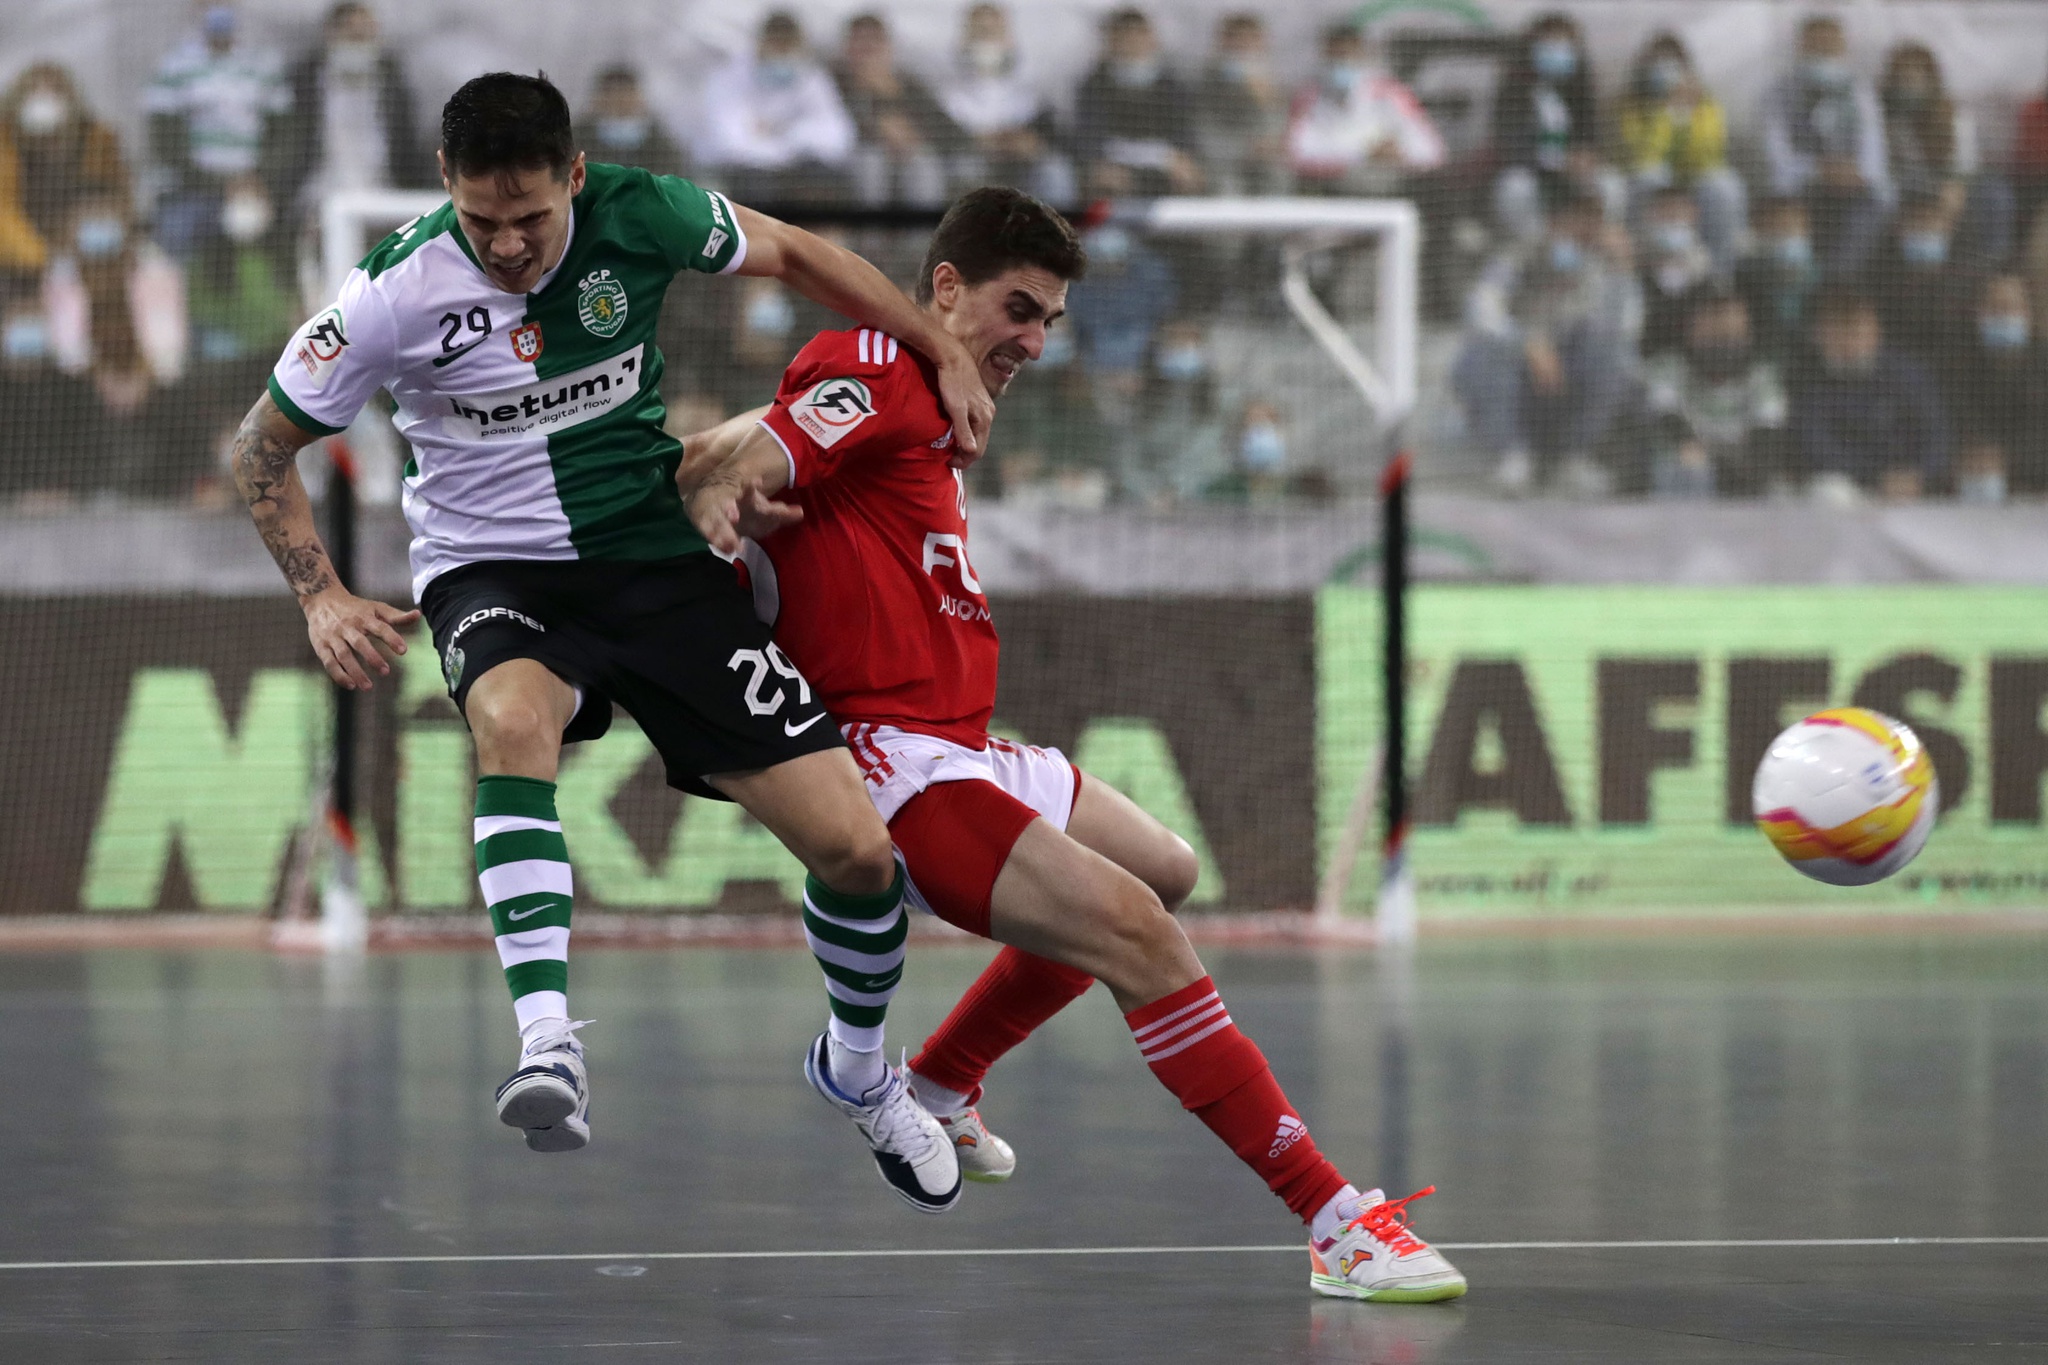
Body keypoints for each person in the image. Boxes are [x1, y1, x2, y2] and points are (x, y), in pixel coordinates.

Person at [677, 186, 1467, 1303]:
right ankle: (1335, 1221)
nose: (1034, 343)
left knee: (1166, 870)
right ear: (942, 290)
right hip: (891, 763)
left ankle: (942, 1084)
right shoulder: (882, 364)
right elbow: (738, 457)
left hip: (961, 741)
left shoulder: (927, 403)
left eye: (1048, 320)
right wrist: (720, 502)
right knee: (1138, 937)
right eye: (1017, 309)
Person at [232, 75, 995, 1208]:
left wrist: (941, 344)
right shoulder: (392, 291)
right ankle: (549, 1044)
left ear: (574, 178)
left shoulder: (643, 212)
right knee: (510, 721)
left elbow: (794, 253)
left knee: (857, 855)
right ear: (447, 187)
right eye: (482, 219)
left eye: (531, 217)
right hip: (494, 573)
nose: (507, 244)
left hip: (651, 560)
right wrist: (321, 596)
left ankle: (859, 1072)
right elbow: (257, 448)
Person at [1454, 191, 1640, 494]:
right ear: (1554, 220)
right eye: (1576, 219)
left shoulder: (1602, 264)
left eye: (1593, 221)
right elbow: (1480, 309)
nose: (1584, 229)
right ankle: (1511, 456)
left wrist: (1622, 271)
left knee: (1616, 356)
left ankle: (1573, 456)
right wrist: (1526, 343)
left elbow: (1627, 327)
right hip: (1517, 373)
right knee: (1478, 355)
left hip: (1568, 376)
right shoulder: (1518, 254)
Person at [145, 1, 290, 260]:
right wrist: (218, 182)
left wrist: (258, 178)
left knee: (269, 227)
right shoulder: (175, 64)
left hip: (253, 187)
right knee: (173, 233)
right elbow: (164, 140)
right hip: (193, 188)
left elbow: (285, 133)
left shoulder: (263, 63)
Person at [274, 1, 432, 216]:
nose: (360, 41)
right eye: (353, 34)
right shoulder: (305, 80)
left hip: (382, 191)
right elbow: (287, 141)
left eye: (366, 34)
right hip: (321, 190)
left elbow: (408, 144)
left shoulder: (392, 82)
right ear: (331, 33)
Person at [1760, 15, 1888, 280]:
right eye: (1816, 46)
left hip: (1852, 188)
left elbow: (1875, 153)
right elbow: (1775, 156)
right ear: (1802, 48)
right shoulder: (1779, 93)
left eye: (1829, 47)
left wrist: (1855, 173)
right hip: (1800, 188)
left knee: (1876, 206)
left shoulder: (1860, 94)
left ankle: (1839, 281)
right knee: (1788, 217)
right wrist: (1817, 169)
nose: (1823, 53)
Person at [1792, 287, 1946, 499]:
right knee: (1828, 492)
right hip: (1855, 485)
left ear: (1875, 332)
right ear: (1819, 336)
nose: (1847, 344)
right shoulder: (1809, 381)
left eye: (1855, 333)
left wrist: (1919, 474)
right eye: (1837, 334)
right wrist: (1876, 476)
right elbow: (1816, 446)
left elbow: (1936, 434)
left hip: (1914, 484)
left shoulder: (1907, 375)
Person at [1612, 32, 1746, 274]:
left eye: (1672, 63)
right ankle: (1643, 267)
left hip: (1693, 177)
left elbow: (1711, 154)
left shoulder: (1706, 103)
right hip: (1656, 178)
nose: (1666, 71)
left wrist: (1687, 110)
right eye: (1658, 63)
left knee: (1725, 186)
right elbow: (1644, 155)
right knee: (1650, 177)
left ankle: (1719, 272)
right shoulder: (1631, 104)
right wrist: (1667, 111)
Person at [695, 12, 856, 206]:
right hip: (737, 174)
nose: (781, 54)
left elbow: (838, 137)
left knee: (822, 178)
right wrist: (788, 145)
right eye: (776, 47)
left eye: (787, 49)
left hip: (796, 171)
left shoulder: (811, 79)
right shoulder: (728, 79)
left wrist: (779, 133)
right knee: (756, 182)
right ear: (760, 44)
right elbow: (730, 144)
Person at [1640, 289, 1789, 497]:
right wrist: (1689, 446)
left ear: (1748, 333)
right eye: (1712, 330)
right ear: (1690, 329)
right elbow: (1665, 414)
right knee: (1692, 469)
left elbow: (1768, 431)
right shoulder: (1668, 368)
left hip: (1741, 475)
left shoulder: (1762, 377)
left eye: (1730, 333)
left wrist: (1733, 467)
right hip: (1681, 479)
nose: (1721, 340)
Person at [1488, 12, 1622, 243]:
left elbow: (1592, 134)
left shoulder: (1581, 88)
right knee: (1515, 188)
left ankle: (1594, 242)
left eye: (1563, 43)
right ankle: (1534, 247)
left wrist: (1585, 155)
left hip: (1574, 172)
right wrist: (1547, 162)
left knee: (1611, 185)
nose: (1556, 50)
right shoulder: (1515, 88)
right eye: (1549, 43)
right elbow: (1507, 139)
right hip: (1532, 170)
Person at [1878, 40, 2012, 268]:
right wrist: (1933, 190)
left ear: (1930, 79)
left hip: (1948, 183)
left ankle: (1994, 265)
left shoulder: (1952, 114)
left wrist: (1955, 187)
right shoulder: (1881, 114)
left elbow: (1965, 164)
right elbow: (1890, 168)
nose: (1909, 82)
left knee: (1994, 192)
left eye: (1915, 76)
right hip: (1905, 185)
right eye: (1903, 76)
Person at [0, 65, 131, 296]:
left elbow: (117, 199)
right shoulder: (7, 145)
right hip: (26, 264)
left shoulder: (95, 138)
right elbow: (5, 214)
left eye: (52, 92)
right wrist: (43, 258)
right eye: (34, 92)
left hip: (87, 258)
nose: (43, 102)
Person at [935, 4, 1073, 206]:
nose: (987, 40)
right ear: (964, 38)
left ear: (1008, 38)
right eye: (980, 32)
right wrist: (978, 143)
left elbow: (1049, 135)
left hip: (1022, 166)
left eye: (993, 32)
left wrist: (1030, 143)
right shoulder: (946, 94)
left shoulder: (1033, 93)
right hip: (970, 164)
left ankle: (1051, 235)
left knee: (1054, 169)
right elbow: (940, 139)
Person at [1286, 24, 1444, 196]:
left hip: (1392, 188)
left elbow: (1432, 151)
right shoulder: (1309, 96)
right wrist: (1364, 154)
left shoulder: (1391, 93)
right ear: (1324, 55)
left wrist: (1399, 152)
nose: (1343, 61)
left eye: (1349, 54)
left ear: (1363, 53)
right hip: (1333, 189)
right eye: (1337, 55)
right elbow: (1298, 151)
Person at [834, 13, 964, 208]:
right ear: (847, 47)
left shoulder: (910, 84)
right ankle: (871, 235)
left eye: (874, 42)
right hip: (860, 155)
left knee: (925, 165)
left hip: (912, 154)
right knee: (871, 164)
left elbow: (946, 129)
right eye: (860, 42)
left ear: (888, 47)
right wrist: (878, 127)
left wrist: (911, 134)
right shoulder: (834, 83)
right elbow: (834, 128)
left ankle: (921, 236)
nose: (868, 50)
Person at [1074, 8, 1202, 198]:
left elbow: (1185, 134)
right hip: (1116, 173)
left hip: (1165, 172)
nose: (1132, 44)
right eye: (1125, 37)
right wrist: (1098, 165)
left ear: (1152, 40)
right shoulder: (1093, 85)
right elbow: (1090, 137)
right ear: (1111, 42)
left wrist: (1184, 160)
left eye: (1138, 36)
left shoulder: (1172, 86)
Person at [1943, 273, 2048, 499]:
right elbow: (1947, 422)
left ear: (2028, 314)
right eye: (1995, 308)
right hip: (1968, 482)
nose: (2003, 317)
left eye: (2010, 308)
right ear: (1978, 314)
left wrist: (2008, 459)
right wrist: (1971, 455)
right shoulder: (1957, 365)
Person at [1864, 189, 1975, 388]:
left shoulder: (1970, 280)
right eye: (1915, 220)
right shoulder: (1876, 277)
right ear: (1899, 228)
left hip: (1955, 381)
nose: (1923, 228)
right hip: (1892, 382)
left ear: (1949, 228)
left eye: (1931, 220)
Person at [1194, 13, 1290, 197]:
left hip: (1263, 161)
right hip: (1221, 162)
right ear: (1223, 42)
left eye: (1250, 39)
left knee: (1278, 178)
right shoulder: (1206, 80)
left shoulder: (1275, 83)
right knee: (1227, 190)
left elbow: (1280, 129)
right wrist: (1245, 150)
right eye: (1237, 39)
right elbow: (1204, 135)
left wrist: (1267, 98)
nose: (1244, 46)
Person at [1735, 195, 1821, 364]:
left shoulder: (1819, 271)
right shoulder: (1747, 270)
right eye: (1776, 227)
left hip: (1807, 350)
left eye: (1791, 226)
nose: (1784, 232)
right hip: (1765, 350)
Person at [1637, 185, 1715, 359]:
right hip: (1646, 354)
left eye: (1679, 209)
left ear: (1694, 215)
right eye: (1664, 209)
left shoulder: (1706, 272)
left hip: (1693, 357)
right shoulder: (1635, 265)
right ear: (1649, 216)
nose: (1672, 216)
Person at [581, 66, 688, 180]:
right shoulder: (576, 142)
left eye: (626, 96)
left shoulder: (664, 147)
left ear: (639, 99)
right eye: (613, 96)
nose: (619, 103)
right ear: (597, 100)